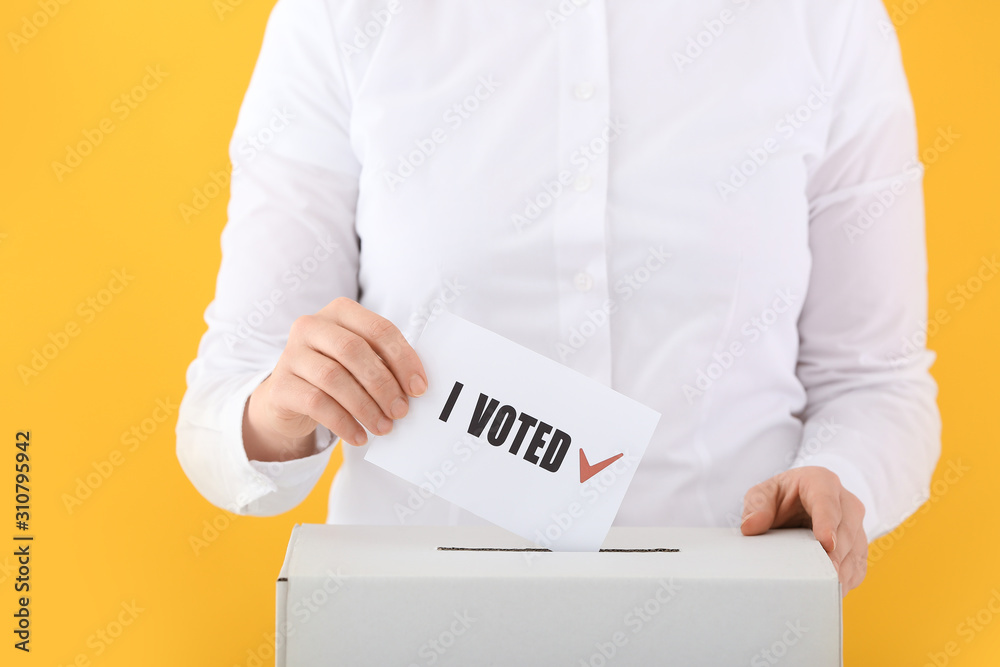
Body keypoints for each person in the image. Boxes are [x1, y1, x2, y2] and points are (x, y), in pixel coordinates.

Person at [176, 0, 941, 595]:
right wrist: (281, 411)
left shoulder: (824, 19)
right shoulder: (343, 16)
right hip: (411, 627)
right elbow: (227, 404)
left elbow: (879, 384)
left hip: (726, 626)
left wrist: (841, 479)